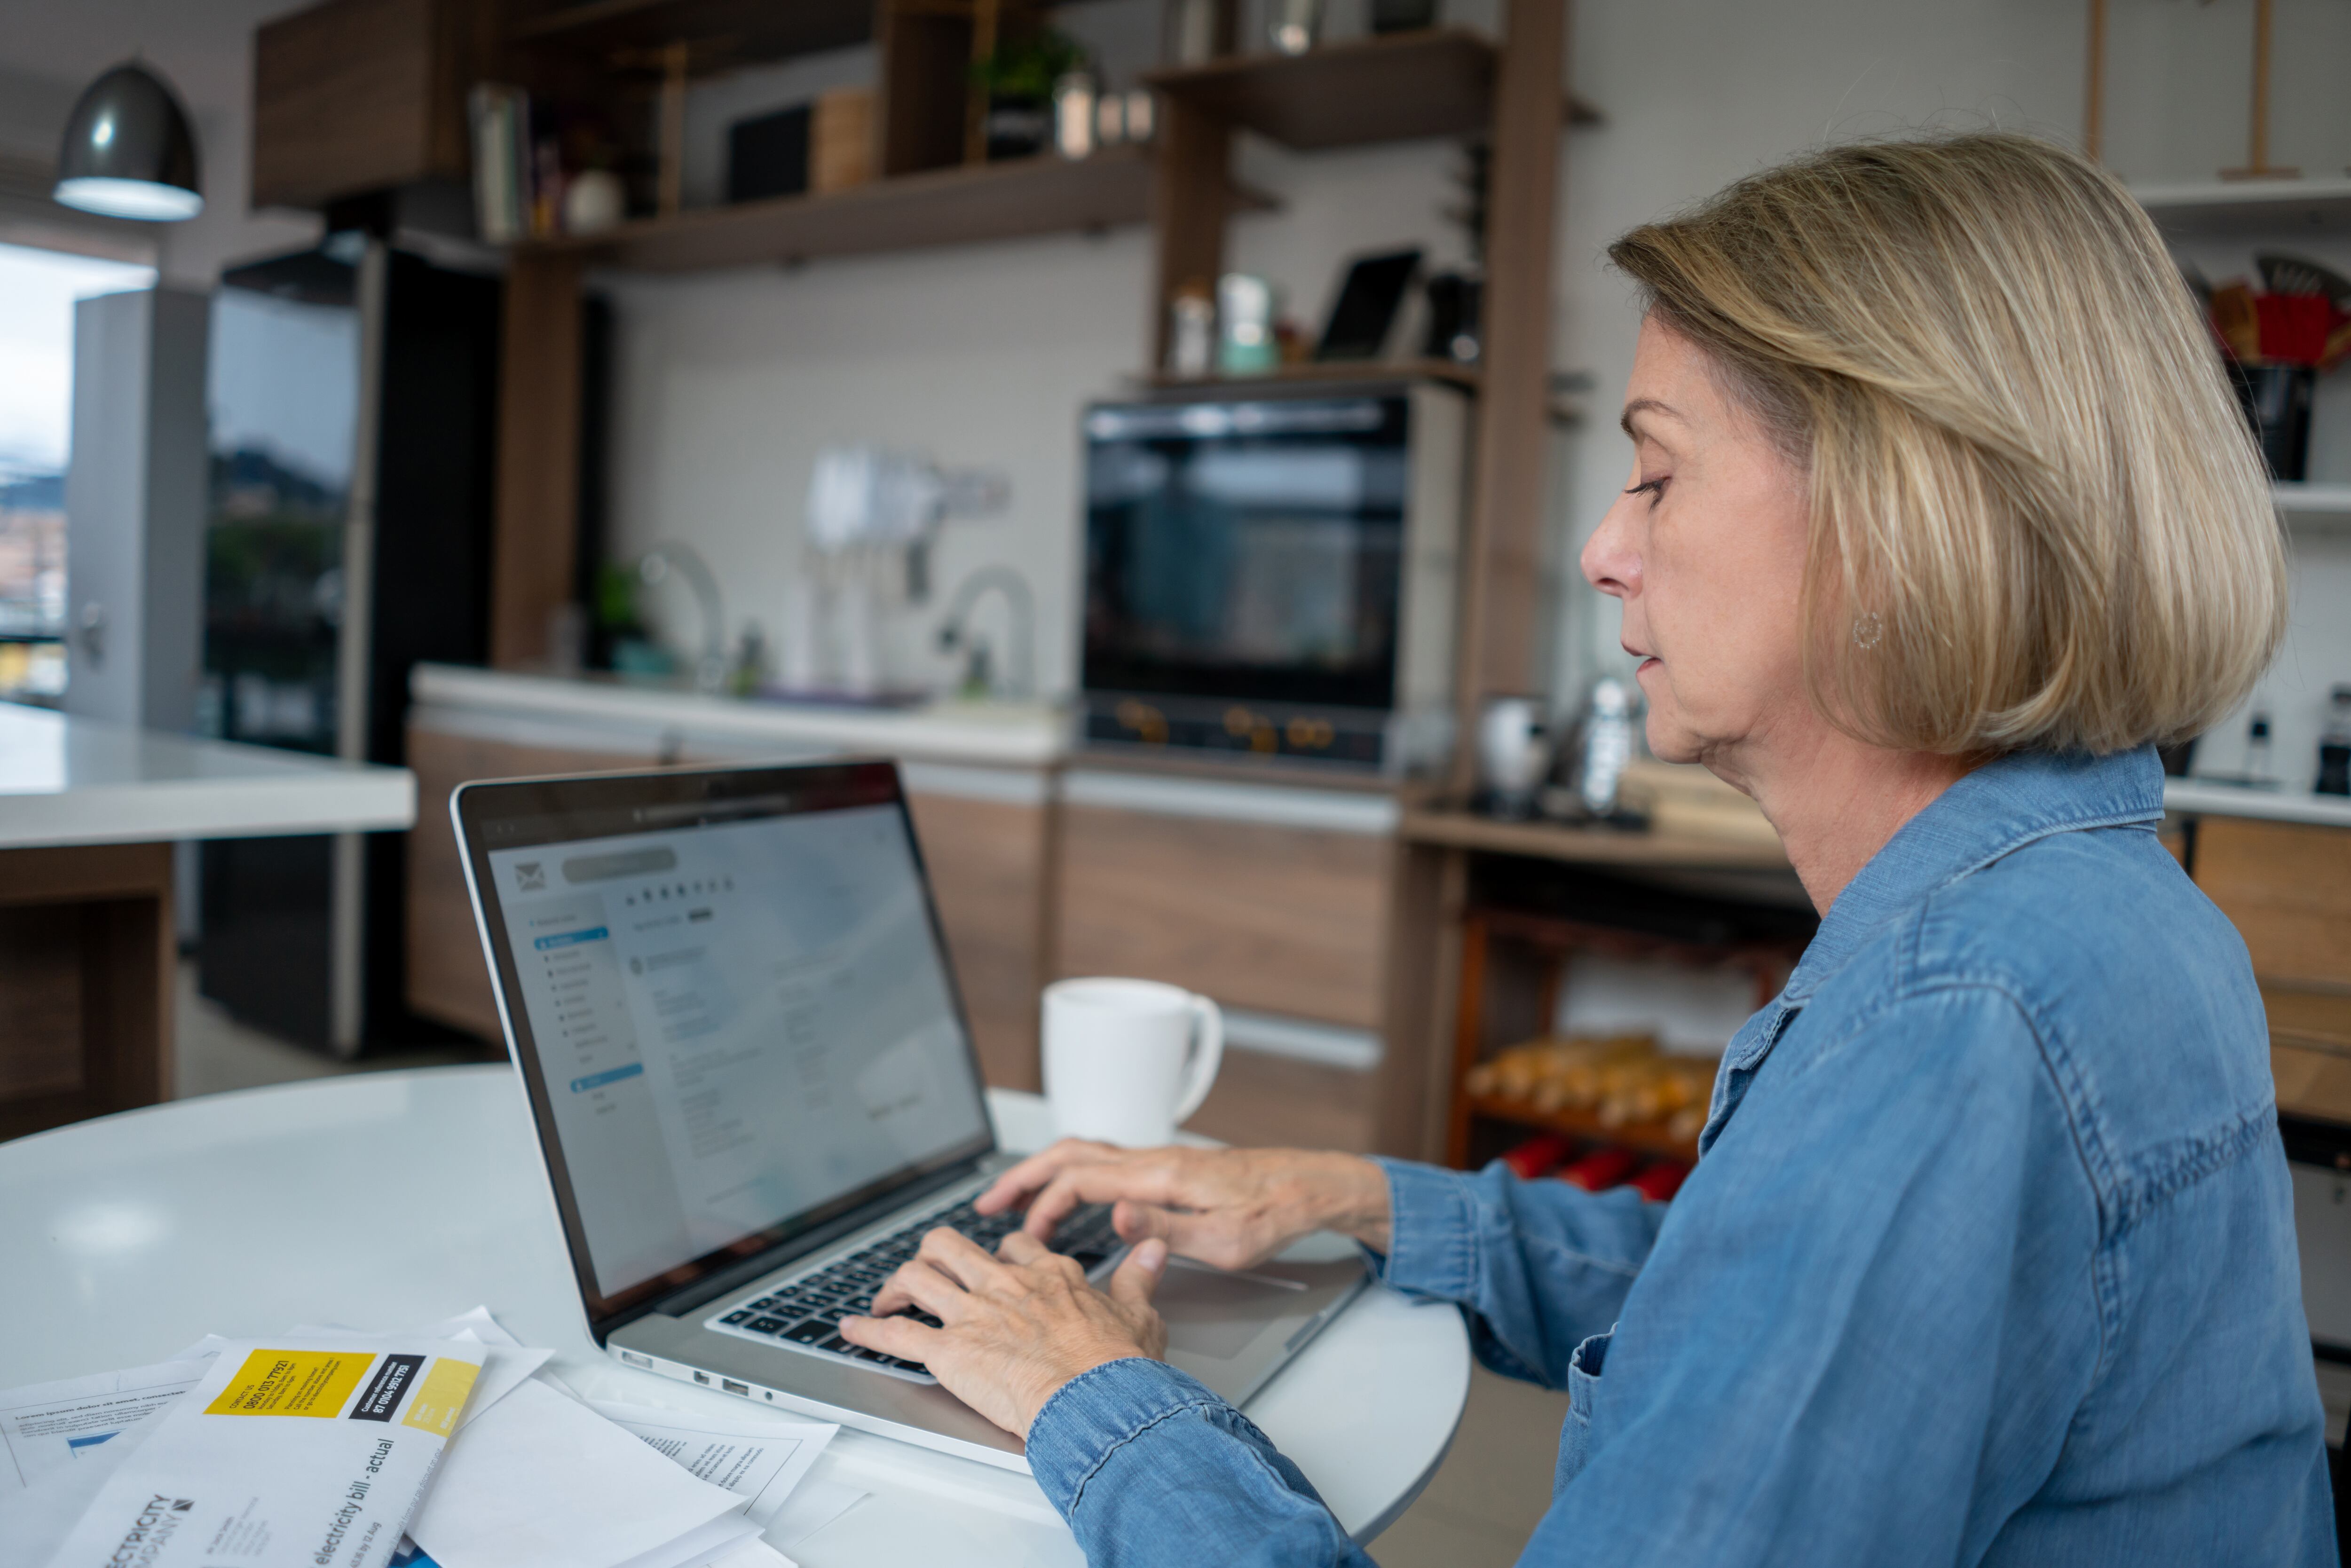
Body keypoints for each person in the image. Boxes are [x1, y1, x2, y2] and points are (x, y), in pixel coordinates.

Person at [838, 132, 2335, 1565]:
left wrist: (1090, 1395)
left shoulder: (1959, 1020)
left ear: (1899, 510)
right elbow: (1767, 1310)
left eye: (1660, 475)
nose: (1602, 548)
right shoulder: (2090, 903)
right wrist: (1352, 1198)